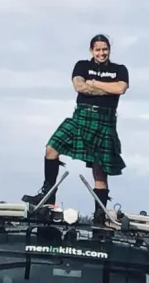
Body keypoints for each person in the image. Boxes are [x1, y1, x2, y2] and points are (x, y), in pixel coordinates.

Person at [23, 34, 129, 224]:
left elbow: (120, 88)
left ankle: (99, 214)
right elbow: (79, 86)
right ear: (91, 51)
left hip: (105, 120)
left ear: (109, 50)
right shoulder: (82, 65)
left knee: (100, 170)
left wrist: (94, 84)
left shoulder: (119, 70)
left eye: (104, 49)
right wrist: (106, 89)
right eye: (97, 49)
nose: (101, 53)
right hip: (81, 116)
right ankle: (48, 197)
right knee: (51, 148)